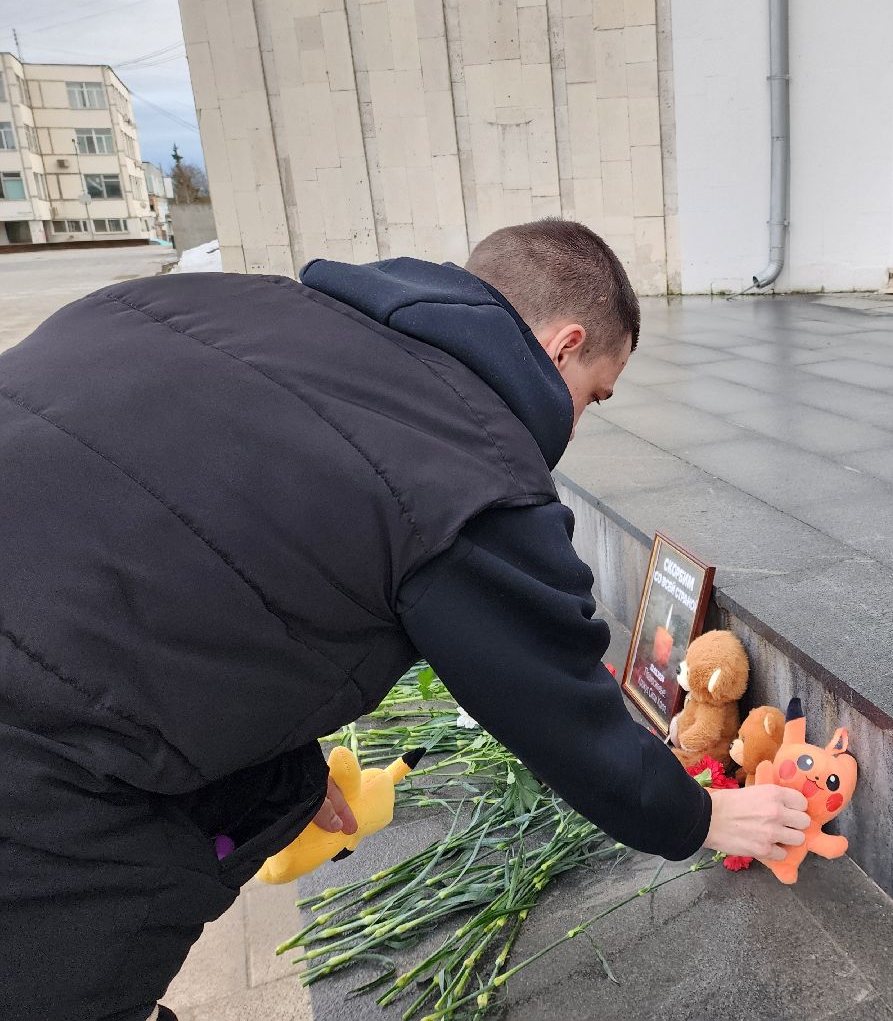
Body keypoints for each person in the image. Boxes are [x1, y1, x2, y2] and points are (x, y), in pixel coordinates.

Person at [0, 219, 810, 1021]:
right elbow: (559, 704)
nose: (581, 421)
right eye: (595, 395)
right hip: (49, 763)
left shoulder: (209, 302)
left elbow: (193, 545)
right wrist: (703, 816)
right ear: (563, 346)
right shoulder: (468, 466)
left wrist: (275, 764)